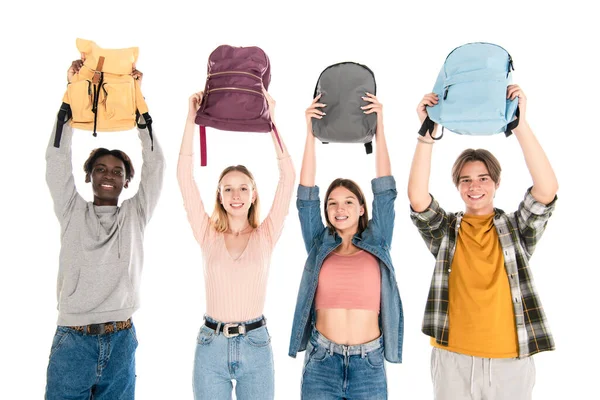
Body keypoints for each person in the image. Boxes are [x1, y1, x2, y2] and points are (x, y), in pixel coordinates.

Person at [408, 85, 558, 400]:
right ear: (457, 187)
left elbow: (546, 191)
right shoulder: (447, 230)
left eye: (483, 178)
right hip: (453, 359)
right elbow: (418, 199)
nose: (474, 186)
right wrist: (426, 135)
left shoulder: (515, 229)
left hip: (510, 361)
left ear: (496, 183)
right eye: (466, 180)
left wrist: (519, 126)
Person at [45, 59, 165, 399]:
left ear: (127, 181)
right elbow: (56, 161)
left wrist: (140, 103)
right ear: (89, 176)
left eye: (116, 171)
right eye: (100, 169)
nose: (109, 175)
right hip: (73, 342)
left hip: (121, 341)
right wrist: (69, 98)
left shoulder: (135, 214)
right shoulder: (71, 210)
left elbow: (156, 164)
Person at [177, 89, 295, 399]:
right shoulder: (207, 235)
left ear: (254, 194)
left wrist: (272, 122)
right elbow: (184, 178)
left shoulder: (266, 235)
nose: (236, 195)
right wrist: (191, 120)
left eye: (243, 188)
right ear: (220, 195)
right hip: (210, 347)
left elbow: (288, 177)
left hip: (256, 346)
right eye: (228, 189)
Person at [288, 92, 403, 400]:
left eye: (349, 201)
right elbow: (306, 196)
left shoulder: (378, 240)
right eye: (333, 203)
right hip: (322, 362)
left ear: (362, 208)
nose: (340, 209)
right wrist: (310, 134)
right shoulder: (319, 243)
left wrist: (380, 130)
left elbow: (385, 190)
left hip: (369, 364)